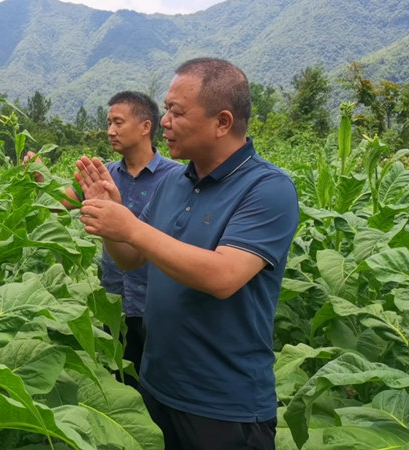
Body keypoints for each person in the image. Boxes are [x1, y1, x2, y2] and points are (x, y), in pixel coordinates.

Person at [76, 58, 299, 449]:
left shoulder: (268, 189)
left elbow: (223, 277)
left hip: (224, 406)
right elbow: (132, 259)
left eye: (176, 112)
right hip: (157, 388)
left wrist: (131, 226)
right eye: (166, 109)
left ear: (222, 122)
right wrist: (113, 225)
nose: (163, 121)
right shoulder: (174, 183)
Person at [25, 92, 181, 385]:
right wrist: (38, 179)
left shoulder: (176, 178)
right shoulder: (104, 175)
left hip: (159, 305)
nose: (110, 131)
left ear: (146, 127)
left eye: (118, 123)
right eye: (108, 123)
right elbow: (57, 207)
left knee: (161, 388)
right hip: (114, 304)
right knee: (120, 381)